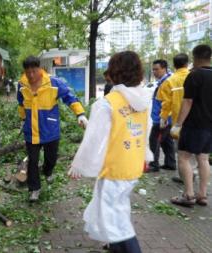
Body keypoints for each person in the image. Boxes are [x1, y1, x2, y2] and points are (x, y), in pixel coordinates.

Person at [69, 51, 153, 253]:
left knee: (116, 224)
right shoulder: (143, 100)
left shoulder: (107, 103)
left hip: (114, 170)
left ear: (114, 72)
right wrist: (146, 156)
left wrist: (79, 166)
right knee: (114, 216)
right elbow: (145, 131)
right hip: (132, 167)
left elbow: (94, 139)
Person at [17, 56, 88, 202]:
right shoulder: (22, 84)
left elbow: (70, 97)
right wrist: (23, 118)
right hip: (31, 131)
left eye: (34, 71)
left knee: (51, 159)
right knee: (33, 161)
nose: (31, 75)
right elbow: (21, 103)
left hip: (50, 129)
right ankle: (34, 189)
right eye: (28, 72)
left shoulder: (54, 83)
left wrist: (80, 114)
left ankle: (47, 171)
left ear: (40, 69)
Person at [170, 45, 212, 207]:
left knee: (183, 157)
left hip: (194, 124)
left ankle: (188, 195)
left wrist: (178, 124)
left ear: (195, 57)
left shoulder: (195, 75)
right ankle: (202, 195)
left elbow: (187, 101)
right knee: (203, 158)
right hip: (209, 126)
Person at [156, 54, 189, 182]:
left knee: (182, 154)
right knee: (201, 156)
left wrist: (163, 119)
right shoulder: (194, 76)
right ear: (187, 63)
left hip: (178, 122)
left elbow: (165, 104)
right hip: (199, 120)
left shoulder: (170, 81)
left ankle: (184, 178)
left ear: (174, 66)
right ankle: (195, 174)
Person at [146, 59, 176, 172]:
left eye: (156, 69)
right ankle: (170, 163)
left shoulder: (167, 82)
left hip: (162, 118)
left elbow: (168, 102)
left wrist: (163, 118)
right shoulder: (164, 81)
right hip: (164, 117)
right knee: (167, 140)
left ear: (164, 68)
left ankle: (154, 164)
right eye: (153, 69)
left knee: (154, 139)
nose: (154, 72)